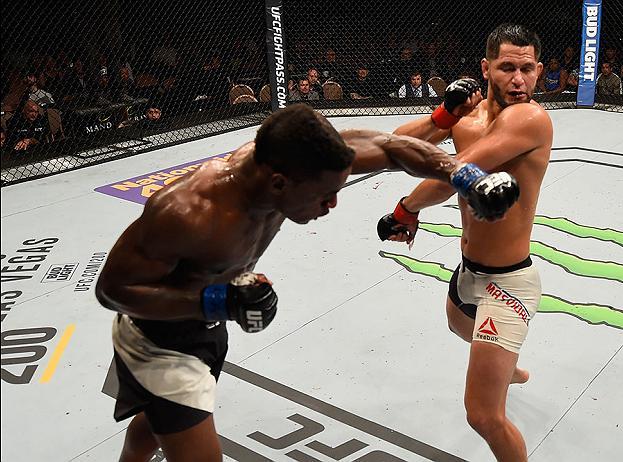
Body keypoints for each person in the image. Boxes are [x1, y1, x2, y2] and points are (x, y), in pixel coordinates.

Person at [95, 103, 519, 462]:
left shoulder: (302, 164)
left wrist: (466, 177)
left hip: (204, 327)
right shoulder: (191, 212)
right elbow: (113, 290)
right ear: (278, 182)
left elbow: (391, 148)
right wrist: (219, 301)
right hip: (158, 341)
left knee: (154, 423)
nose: (332, 204)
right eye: (323, 195)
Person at [378, 24, 553, 461]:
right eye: (507, 67)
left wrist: (406, 209)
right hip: (469, 269)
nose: (518, 79)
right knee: (459, 326)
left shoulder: (529, 118)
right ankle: (508, 367)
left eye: (527, 69)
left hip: (509, 283)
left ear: (539, 71)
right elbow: (397, 146)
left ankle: (504, 366)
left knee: (482, 415)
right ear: (485, 68)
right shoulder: (469, 119)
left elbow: (454, 173)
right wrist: (444, 115)